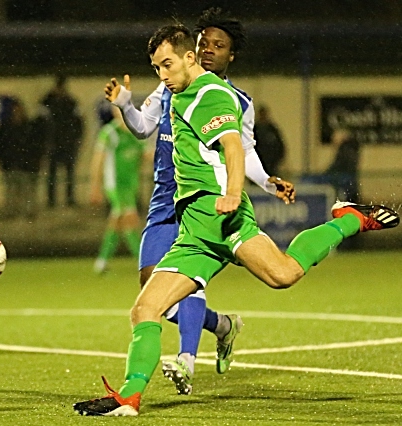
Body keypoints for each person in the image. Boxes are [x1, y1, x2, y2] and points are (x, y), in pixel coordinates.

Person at [73, 23, 398, 417]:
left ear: (189, 57)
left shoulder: (210, 94)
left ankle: (347, 219)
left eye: (167, 65)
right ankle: (129, 397)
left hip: (222, 217)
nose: (161, 75)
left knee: (284, 275)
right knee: (144, 309)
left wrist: (231, 193)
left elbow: (233, 145)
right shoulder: (177, 92)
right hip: (193, 226)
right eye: (156, 67)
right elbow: (148, 127)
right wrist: (127, 103)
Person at [101, 7, 297, 396]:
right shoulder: (169, 85)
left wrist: (265, 182)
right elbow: (142, 128)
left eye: (218, 45)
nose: (208, 48)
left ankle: (186, 360)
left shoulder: (238, 100)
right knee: (149, 286)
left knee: (192, 279)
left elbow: (242, 149)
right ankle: (221, 326)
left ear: (231, 55)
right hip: (164, 198)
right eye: (204, 41)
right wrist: (125, 104)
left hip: (204, 197)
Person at [89, 107, 146, 273]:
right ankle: (143, 263)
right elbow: (98, 159)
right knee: (131, 220)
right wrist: (95, 186)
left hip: (131, 186)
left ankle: (101, 262)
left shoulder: (137, 132)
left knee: (117, 222)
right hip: (115, 185)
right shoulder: (109, 132)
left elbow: (147, 156)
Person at [0, 99, 44, 219]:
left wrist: (33, 162)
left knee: (28, 191)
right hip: (11, 165)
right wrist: (4, 161)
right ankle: (11, 212)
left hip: (27, 166)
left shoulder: (29, 127)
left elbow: (35, 146)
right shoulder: (6, 128)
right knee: (11, 190)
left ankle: (28, 213)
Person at [41, 74, 84, 208]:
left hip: (67, 144)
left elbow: (79, 124)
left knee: (69, 173)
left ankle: (69, 199)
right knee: (52, 173)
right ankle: (51, 200)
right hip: (53, 144)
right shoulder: (48, 102)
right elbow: (41, 123)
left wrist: (76, 140)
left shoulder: (70, 103)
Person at [253, 105, 286, 176]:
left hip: (272, 166)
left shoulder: (272, 129)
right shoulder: (254, 129)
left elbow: (280, 145)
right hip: (258, 166)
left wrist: (279, 159)